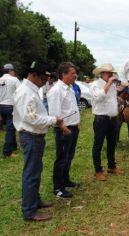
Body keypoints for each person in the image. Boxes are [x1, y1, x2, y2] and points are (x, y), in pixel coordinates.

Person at [13, 61, 67, 221]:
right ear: (33, 75)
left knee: (35, 171)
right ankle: (29, 211)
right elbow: (31, 118)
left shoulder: (31, 90)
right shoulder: (26, 92)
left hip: (34, 136)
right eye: (43, 78)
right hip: (30, 136)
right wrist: (53, 119)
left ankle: (34, 201)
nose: (44, 82)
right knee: (31, 173)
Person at [47, 62, 80, 198]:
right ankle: (58, 188)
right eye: (72, 73)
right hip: (64, 129)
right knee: (61, 158)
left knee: (69, 156)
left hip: (72, 126)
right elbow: (54, 112)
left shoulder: (70, 88)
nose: (75, 75)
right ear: (63, 74)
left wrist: (76, 123)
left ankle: (65, 180)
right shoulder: (56, 90)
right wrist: (63, 127)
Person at [90, 64, 123, 181]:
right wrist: (108, 84)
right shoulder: (94, 85)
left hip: (113, 119)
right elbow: (98, 97)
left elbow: (112, 99)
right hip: (101, 119)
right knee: (98, 145)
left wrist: (118, 100)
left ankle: (111, 166)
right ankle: (98, 170)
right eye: (109, 73)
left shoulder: (113, 86)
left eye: (112, 73)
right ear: (102, 73)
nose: (111, 75)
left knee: (112, 144)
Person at [0, 63, 21, 157]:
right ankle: (7, 152)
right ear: (10, 71)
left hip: (1, 105)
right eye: (13, 71)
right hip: (10, 106)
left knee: (10, 128)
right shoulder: (14, 79)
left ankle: (14, 146)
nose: (14, 73)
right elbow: (21, 92)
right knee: (10, 129)